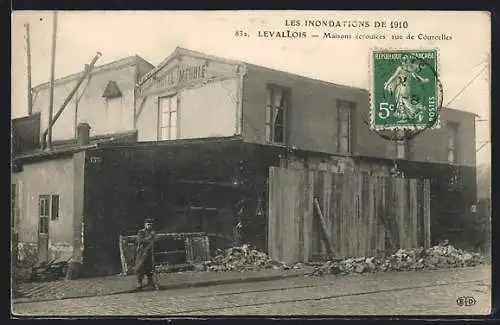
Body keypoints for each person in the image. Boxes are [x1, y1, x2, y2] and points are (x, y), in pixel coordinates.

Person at [383, 55, 430, 121]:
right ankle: (405, 115)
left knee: (402, 100)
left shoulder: (400, 68)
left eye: (403, 61)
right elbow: (416, 77)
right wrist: (423, 80)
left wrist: (387, 84)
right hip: (407, 88)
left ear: (402, 61)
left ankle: (415, 111)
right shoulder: (410, 69)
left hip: (401, 87)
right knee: (404, 100)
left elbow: (393, 77)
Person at [134, 217, 156, 290]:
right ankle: (139, 284)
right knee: (139, 268)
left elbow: (154, 241)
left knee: (149, 268)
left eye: (150, 224)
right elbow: (140, 241)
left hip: (149, 253)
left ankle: (150, 283)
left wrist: (153, 237)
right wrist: (150, 237)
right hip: (141, 253)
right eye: (148, 224)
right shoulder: (141, 232)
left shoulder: (152, 232)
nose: (149, 226)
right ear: (145, 225)